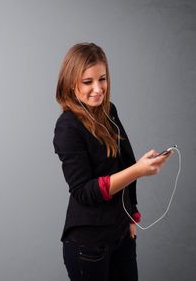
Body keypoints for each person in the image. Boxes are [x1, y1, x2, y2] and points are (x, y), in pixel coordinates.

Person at [53, 42, 172, 281]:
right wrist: (138, 171)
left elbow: (123, 164)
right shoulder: (67, 128)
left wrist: (131, 214)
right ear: (70, 83)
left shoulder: (109, 111)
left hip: (121, 234)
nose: (98, 89)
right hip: (88, 245)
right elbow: (84, 192)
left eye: (103, 79)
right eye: (88, 82)